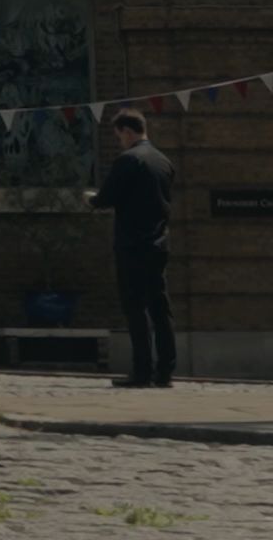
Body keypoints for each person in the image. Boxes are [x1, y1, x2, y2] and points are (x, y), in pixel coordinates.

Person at [88, 107, 176, 388]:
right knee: (161, 309)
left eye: (119, 136)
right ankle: (165, 372)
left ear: (127, 131)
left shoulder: (128, 160)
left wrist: (90, 199)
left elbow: (106, 198)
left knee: (135, 309)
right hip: (159, 243)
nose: (120, 142)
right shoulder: (164, 162)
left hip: (131, 245)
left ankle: (142, 372)